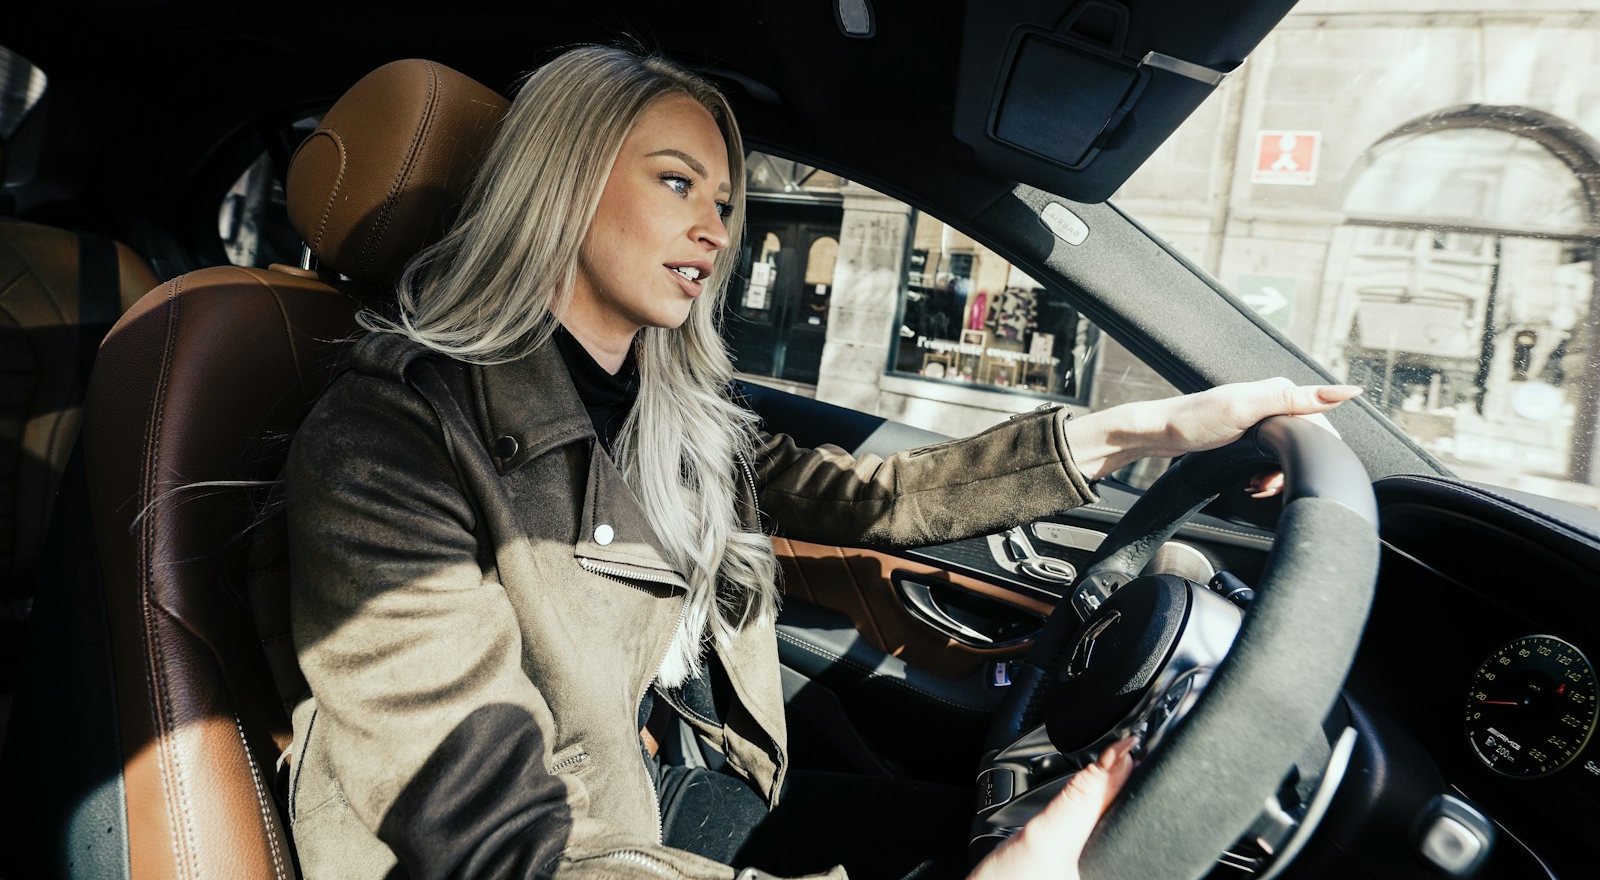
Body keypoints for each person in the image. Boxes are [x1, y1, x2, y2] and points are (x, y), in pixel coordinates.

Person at [283, 45, 1360, 880]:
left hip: (682, 781)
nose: (713, 226)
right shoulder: (389, 437)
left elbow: (872, 495)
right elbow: (498, 844)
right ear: (559, 183)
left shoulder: (665, 407)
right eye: (674, 181)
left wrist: (1154, 429)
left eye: (723, 202)